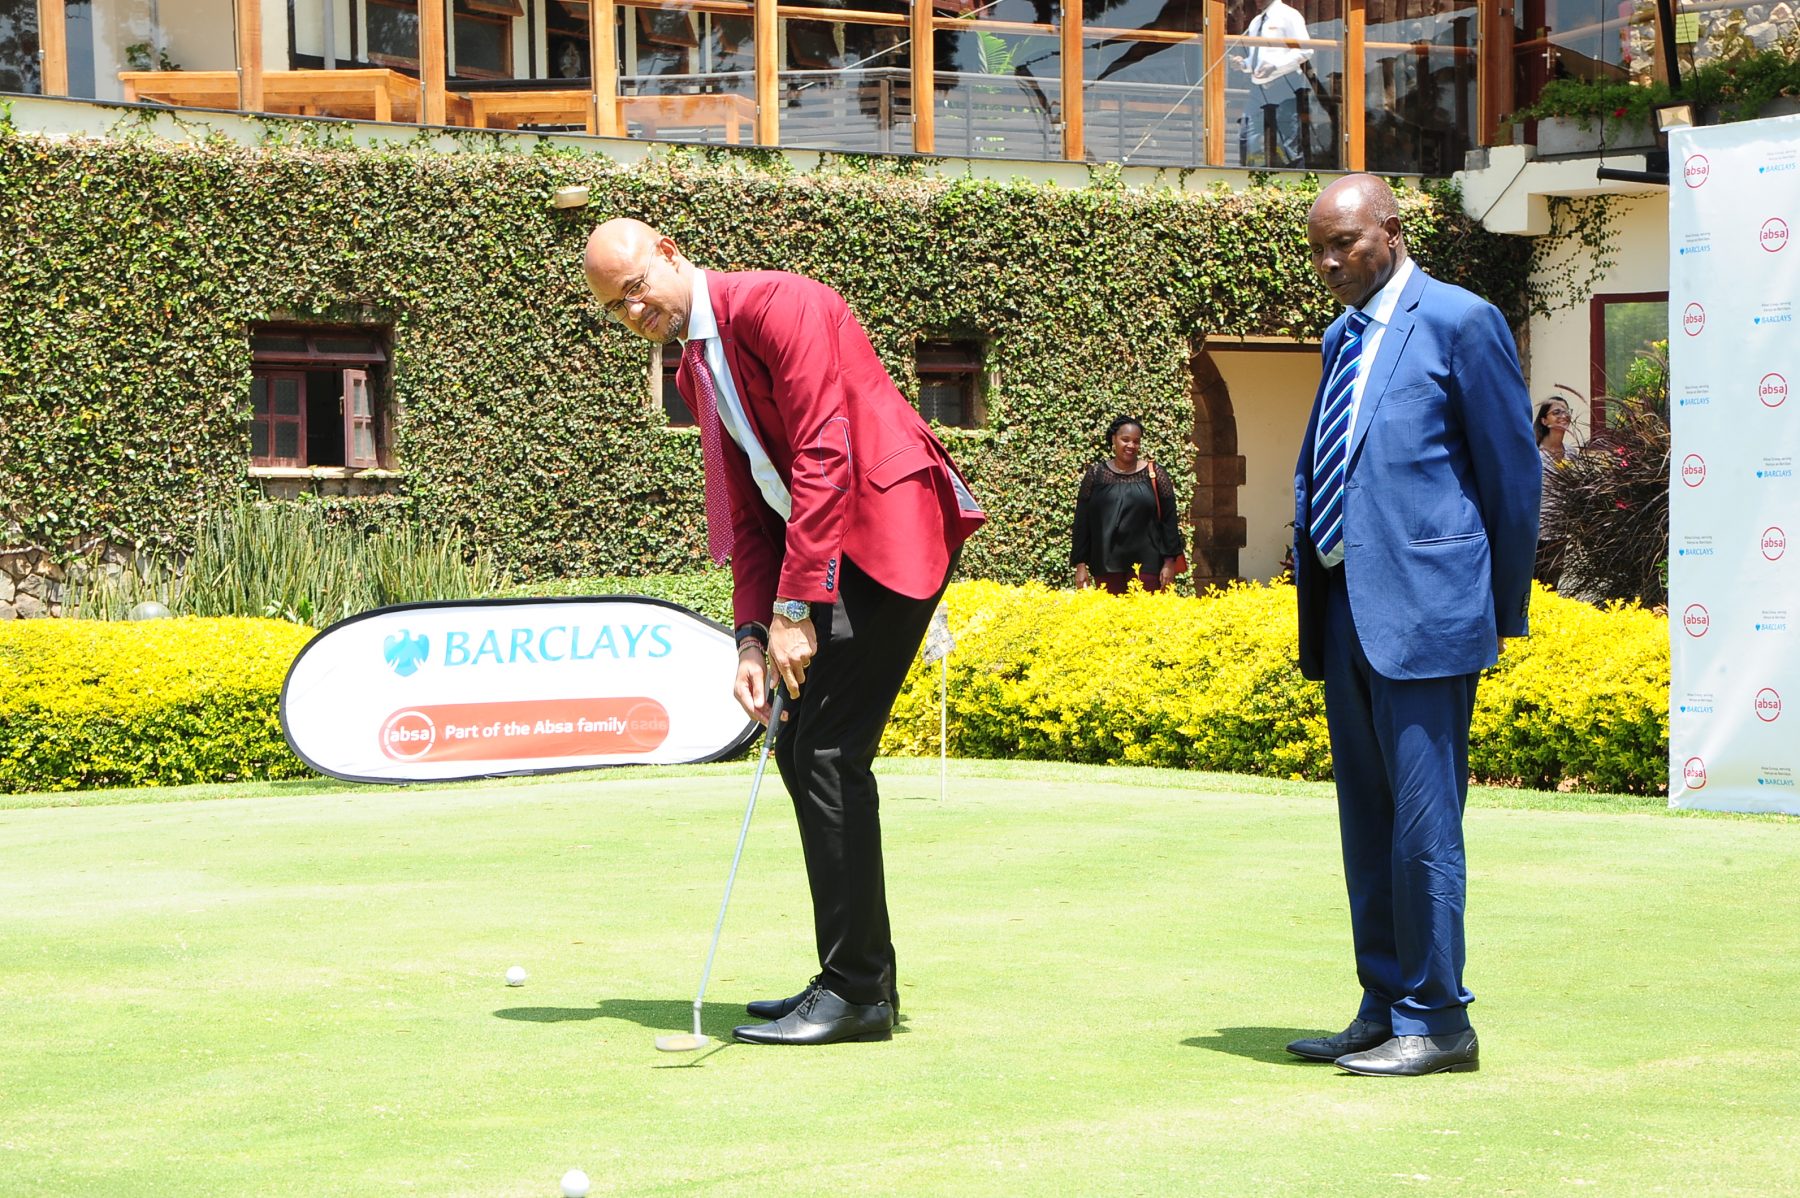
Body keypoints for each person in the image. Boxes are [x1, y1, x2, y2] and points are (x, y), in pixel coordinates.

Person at [583, 218, 986, 1047]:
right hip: (827, 551)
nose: (633, 313)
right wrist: (750, 637)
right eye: (615, 308)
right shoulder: (696, 367)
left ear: (668, 252)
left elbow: (823, 456)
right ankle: (857, 977)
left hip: (888, 535)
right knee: (806, 750)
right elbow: (748, 506)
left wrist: (797, 609)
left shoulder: (779, 304)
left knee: (827, 751)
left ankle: (857, 993)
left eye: (636, 289)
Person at [1286, 175, 1539, 1076]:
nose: (1328, 263)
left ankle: (1438, 1021)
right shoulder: (1340, 337)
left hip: (1429, 617)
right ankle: (1385, 1003)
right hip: (1345, 608)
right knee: (1367, 825)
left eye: (1344, 243)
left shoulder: (1463, 321)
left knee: (1424, 830)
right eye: (1317, 249)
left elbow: (1513, 478)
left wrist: (1496, 612)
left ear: (1390, 232)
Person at [1070, 416, 1182, 594]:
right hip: (1105, 565)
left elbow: (1169, 520)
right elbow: (1082, 522)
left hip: (1147, 566)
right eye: (1125, 439)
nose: (1131, 445)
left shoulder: (1155, 474)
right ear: (1114, 439)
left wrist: (1169, 563)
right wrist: (1080, 564)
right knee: (1109, 612)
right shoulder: (1095, 475)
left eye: (1136, 441)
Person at [1231, 0, 1313, 167]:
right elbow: (1258, 58)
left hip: (1285, 85)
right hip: (1258, 88)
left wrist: (1275, 66)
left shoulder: (1289, 15)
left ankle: (1295, 180)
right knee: (1247, 136)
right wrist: (1244, 64)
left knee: (1288, 145)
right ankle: (1251, 178)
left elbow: (1306, 50)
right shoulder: (1256, 22)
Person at [1533, 398, 1578, 587]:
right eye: (1556, 412)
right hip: (1536, 531)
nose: (1563, 416)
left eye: (1566, 411)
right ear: (1544, 420)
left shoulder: (1572, 454)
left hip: (1559, 531)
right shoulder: (1534, 453)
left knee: (1552, 585)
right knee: (1534, 585)